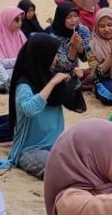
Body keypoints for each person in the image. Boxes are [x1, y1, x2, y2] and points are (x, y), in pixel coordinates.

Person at [6, 34, 81, 178]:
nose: (57, 58)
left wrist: (74, 80)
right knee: (61, 168)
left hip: (56, 145)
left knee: (84, 158)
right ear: (43, 56)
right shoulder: (24, 85)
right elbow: (30, 109)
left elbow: (74, 103)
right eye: (54, 55)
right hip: (29, 151)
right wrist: (52, 83)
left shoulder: (47, 75)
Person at [50, 0, 91, 68]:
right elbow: (63, 67)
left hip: (75, 72)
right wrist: (73, 48)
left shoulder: (83, 30)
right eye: (69, 17)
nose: (74, 20)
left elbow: (87, 58)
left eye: (76, 16)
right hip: (56, 74)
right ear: (61, 19)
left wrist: (80, 48)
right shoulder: (53, 37)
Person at [0, 5, 28, 70]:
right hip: (1, 75)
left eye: (21, 20)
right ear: (7, 19)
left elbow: (28, 52)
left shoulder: (19, 33)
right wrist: (20, 60)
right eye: (16, 20)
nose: (20, 23)